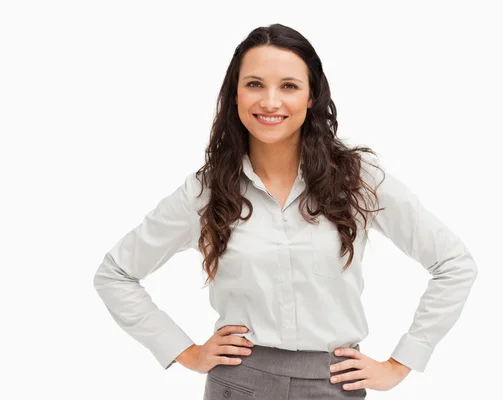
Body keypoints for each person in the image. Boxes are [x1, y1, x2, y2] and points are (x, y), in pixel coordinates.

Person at [93, 23, 478, 399]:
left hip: (334, 384)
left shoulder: (356, 179)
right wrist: (186, 352)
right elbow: (116, 274)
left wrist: (400, 364)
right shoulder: (206, 191)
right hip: (240, 383)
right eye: (255, 84)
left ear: (312, 96)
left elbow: (453, 263)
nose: (270, 101)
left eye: (289, 86)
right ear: (235, 93)